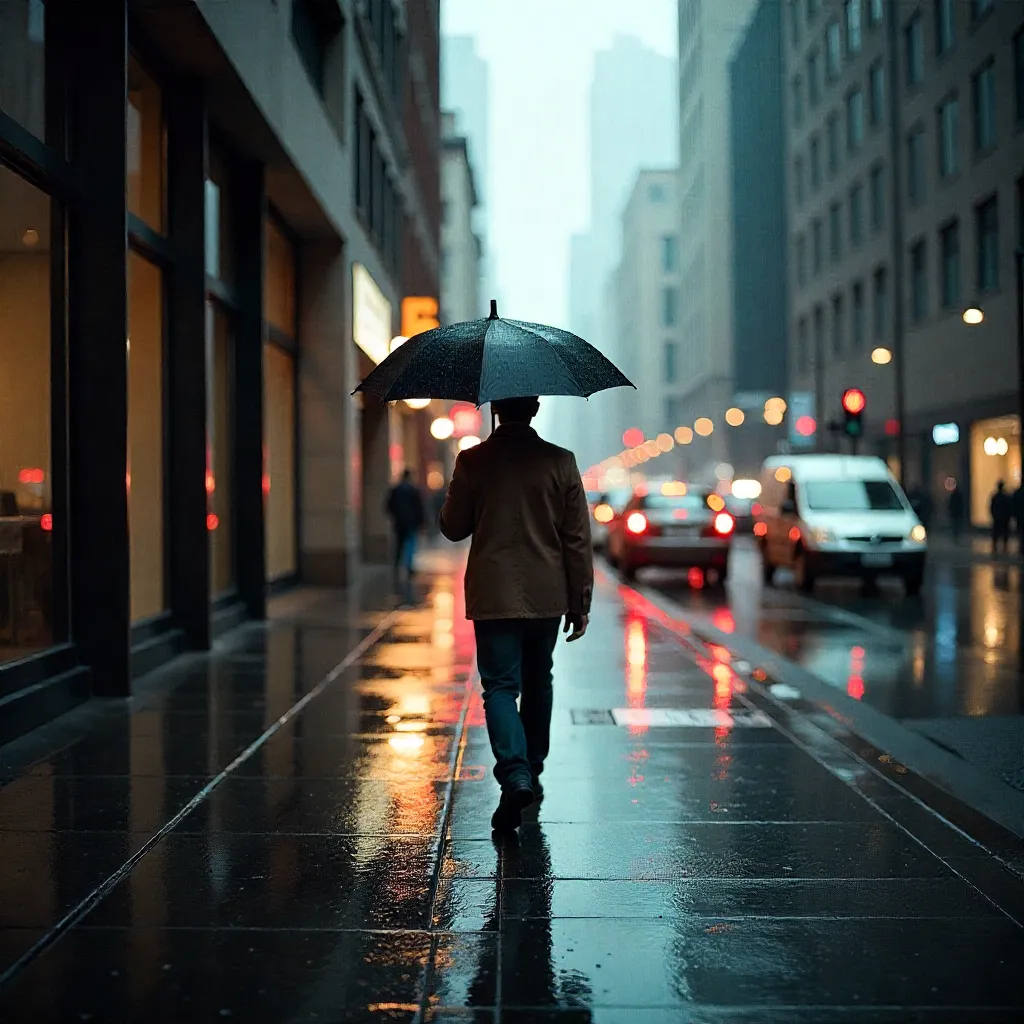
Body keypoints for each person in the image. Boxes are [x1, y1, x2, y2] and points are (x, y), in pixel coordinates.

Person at [439, 395, 593, 832]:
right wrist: (580, 602)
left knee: (501, 687)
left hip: (493, 594)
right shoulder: (561, 462)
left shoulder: (474, 461)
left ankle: (515, 772)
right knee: (538, 679)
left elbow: (452, 527)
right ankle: (533, 766)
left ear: (497, 409)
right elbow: (577, 539)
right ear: (536, 409)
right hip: (547, 593)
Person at [386, 469, 425, 590]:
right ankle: (408, 567)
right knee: (410, 545)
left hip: (399, 523)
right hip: (411, 523)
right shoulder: (414, 491)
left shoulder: (396, 490)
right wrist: (420, 522)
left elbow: (388, 506)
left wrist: (395, 516)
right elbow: (419, 508)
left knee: (398, 544)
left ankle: (397, 566)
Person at [990, 480, 1012, 554]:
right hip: (1003, 518)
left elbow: (992, 507)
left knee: (997, 534)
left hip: (998, 518)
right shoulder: (1005, 497)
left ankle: (996, 547)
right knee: (1003, 534)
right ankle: (1003, 547)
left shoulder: (996, 496)